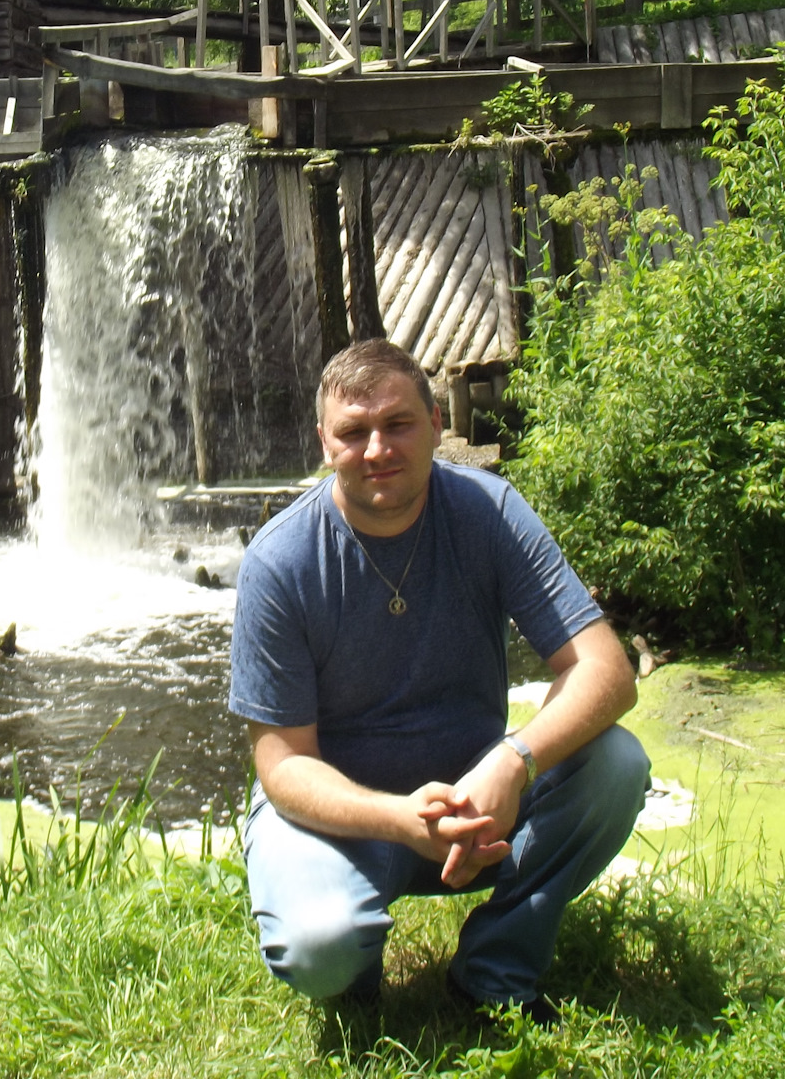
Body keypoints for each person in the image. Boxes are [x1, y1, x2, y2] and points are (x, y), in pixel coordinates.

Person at [228, 339, 647, 1023]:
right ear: (323, 444)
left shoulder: (490, 512)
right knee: (320, 948)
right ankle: (353, 972)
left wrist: (514, 763)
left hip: (479, 802)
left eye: (397, 424)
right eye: (354, 432)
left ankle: (496, 969)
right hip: (337, 817)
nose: (377, 449)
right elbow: (283, 765)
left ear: (436, 425)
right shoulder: (280, 562)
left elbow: (607, 670)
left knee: (617, 763)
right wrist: (400, 820)